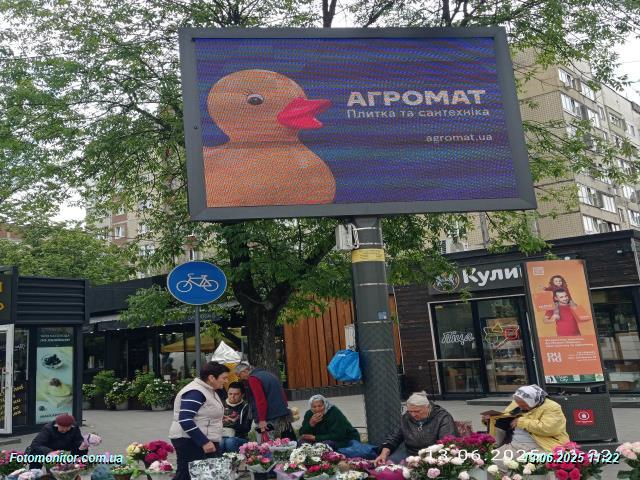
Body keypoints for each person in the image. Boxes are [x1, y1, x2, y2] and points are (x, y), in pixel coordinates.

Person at [483, 385, 569, 472]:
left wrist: (521, 422)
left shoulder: (553, 407)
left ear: (533, 401)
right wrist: (490, 419)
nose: (521, 407)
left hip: (542, 446)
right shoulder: (517, 403)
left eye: (524, 405)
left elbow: (549, 428)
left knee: (530, 468)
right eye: (519, 404)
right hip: (515, 445)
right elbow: (505, 417)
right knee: (491, 462)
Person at [169, 362, 230, 480]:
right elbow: (185, 419)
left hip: (200, 439)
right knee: (187, 475)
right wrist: (204, 442)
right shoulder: (196, 392)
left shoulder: (207, 389)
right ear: (211, 378)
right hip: (191, 440)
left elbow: (203, 412)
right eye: (224, 378)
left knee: (212, 474)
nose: (226, 381)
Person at [374, 391, 458, 465]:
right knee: (387, 465)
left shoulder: (442, 417)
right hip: (410, 454)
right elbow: (394, 438)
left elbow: (446, 443)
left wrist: (426, 459)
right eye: (410, 411)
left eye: (417, 411)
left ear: (427, 407)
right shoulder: (406, 417)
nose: (413, 415)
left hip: (433, 455)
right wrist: (384, 453)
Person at [235, 362, 295, 440]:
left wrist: (262, 419)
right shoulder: (269, 374)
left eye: (239, 375)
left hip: (268, 416)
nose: (240, 378)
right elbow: (282, 393)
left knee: (265, 443)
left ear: (244, 371)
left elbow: (260, 400)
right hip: (281, 413)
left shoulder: (253, 378)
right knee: (282, 441)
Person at [220, 382, 252, 453]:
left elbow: (246, 428)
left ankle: (235, 459)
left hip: (239, 437)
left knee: (230, 441)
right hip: (220, 434)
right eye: (230, 394)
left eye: (236, 394)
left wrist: (232, 423)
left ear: (242, 395)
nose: (232, 396)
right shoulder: (220, 404)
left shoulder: (246, 407)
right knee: (220, 442)